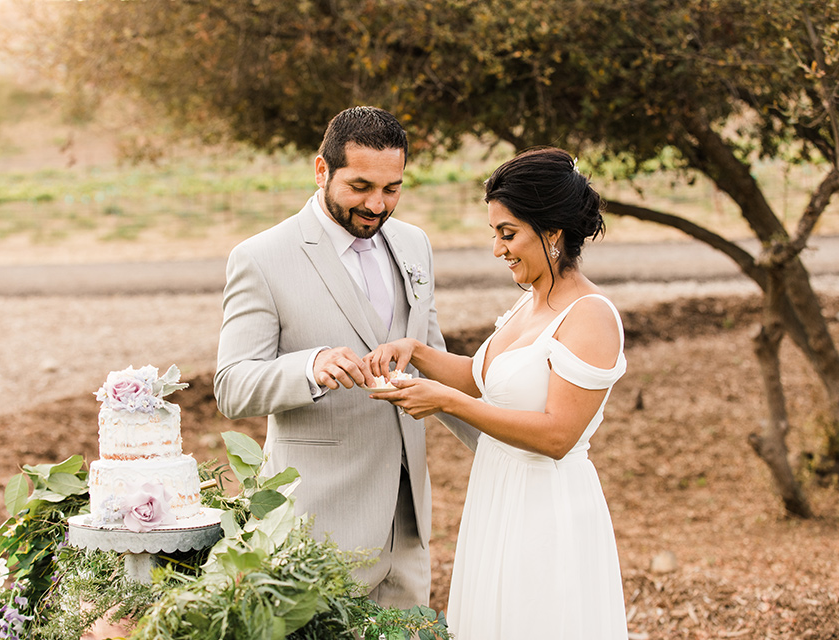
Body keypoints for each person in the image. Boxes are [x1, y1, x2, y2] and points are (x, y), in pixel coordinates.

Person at [214, 106, 476, 608]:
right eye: (359, 187)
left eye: (392, 189)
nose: (377, 205)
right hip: (319, 522)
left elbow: (432, 358)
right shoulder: (261, 257)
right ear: (321, 170)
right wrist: (307, 368)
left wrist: (506, 450)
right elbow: (231, 386)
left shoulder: (414, 244)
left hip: (409, 524)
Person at [365, 147, 629, 638]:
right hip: (497, 494)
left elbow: (558, 436)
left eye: (508, 234)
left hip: (546, 507)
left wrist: (445, 402)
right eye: (495, 234)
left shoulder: (590, 315)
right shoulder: (531, 301)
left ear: (552, 235)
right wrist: (416, 351)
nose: (498, 249)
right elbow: (482, 378)